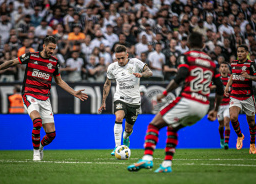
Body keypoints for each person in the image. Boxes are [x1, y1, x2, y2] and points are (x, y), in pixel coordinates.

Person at [127, 32, 224, 173]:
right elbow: (220, 88)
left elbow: (181, 75)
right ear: (203, 45)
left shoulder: (186, 57)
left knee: (154, 125)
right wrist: (215, 110)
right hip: (203, 106)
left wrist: (165, 93)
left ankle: (147, 158)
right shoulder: (211, 63)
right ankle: (166, 164)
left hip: (187, 99)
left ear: (188, 45)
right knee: (173, 128)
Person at [0, 36, 88, 161]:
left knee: (51, 135)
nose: (52, 51)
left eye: (54, 49)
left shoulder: (54, 62)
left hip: (44, 98)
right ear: (44, 46)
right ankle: (35, 153)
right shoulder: (31, 56)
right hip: (29, 94)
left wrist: (74, 92)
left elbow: (59, 81)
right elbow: (11, 62)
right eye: (50, 48)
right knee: (37, 122)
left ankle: (40, 146)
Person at [98, 45, 153, 156]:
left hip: (134, 101)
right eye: (118, 58)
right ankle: (117, 147)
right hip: (120, 98)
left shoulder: (136, 63)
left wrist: (141, 74)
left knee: (128, 129)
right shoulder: (112, 67)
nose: (120, 61)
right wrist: (103, 101)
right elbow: (107, 83)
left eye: (122, 58)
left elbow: (149, 72)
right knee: (118, 117)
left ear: (127, 55)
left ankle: (126, 138)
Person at [225, 45, 256, 154]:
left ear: (246, 53)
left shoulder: (251, 64)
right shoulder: (234, 63)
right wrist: (227, 86)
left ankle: (252, 143)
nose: (239, 53)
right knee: (233, 117)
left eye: (242, 52)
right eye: (238, 52)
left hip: (247, 96)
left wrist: (249, 77)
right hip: (235, 95)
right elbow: (233, 76)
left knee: (251, 122)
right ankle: (240, 136)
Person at [211, 62, 231, 149]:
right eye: (222, 67)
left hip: (228, 104)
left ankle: (226, 143)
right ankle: (222, 138)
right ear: (220, 69)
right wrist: (216, 86)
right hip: (219, 105)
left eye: (225, 67)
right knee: (221, 125)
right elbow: (209, 86)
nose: (223, 68)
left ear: (228, 69)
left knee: (227, 123)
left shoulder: (231, 78)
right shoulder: (217, 78)